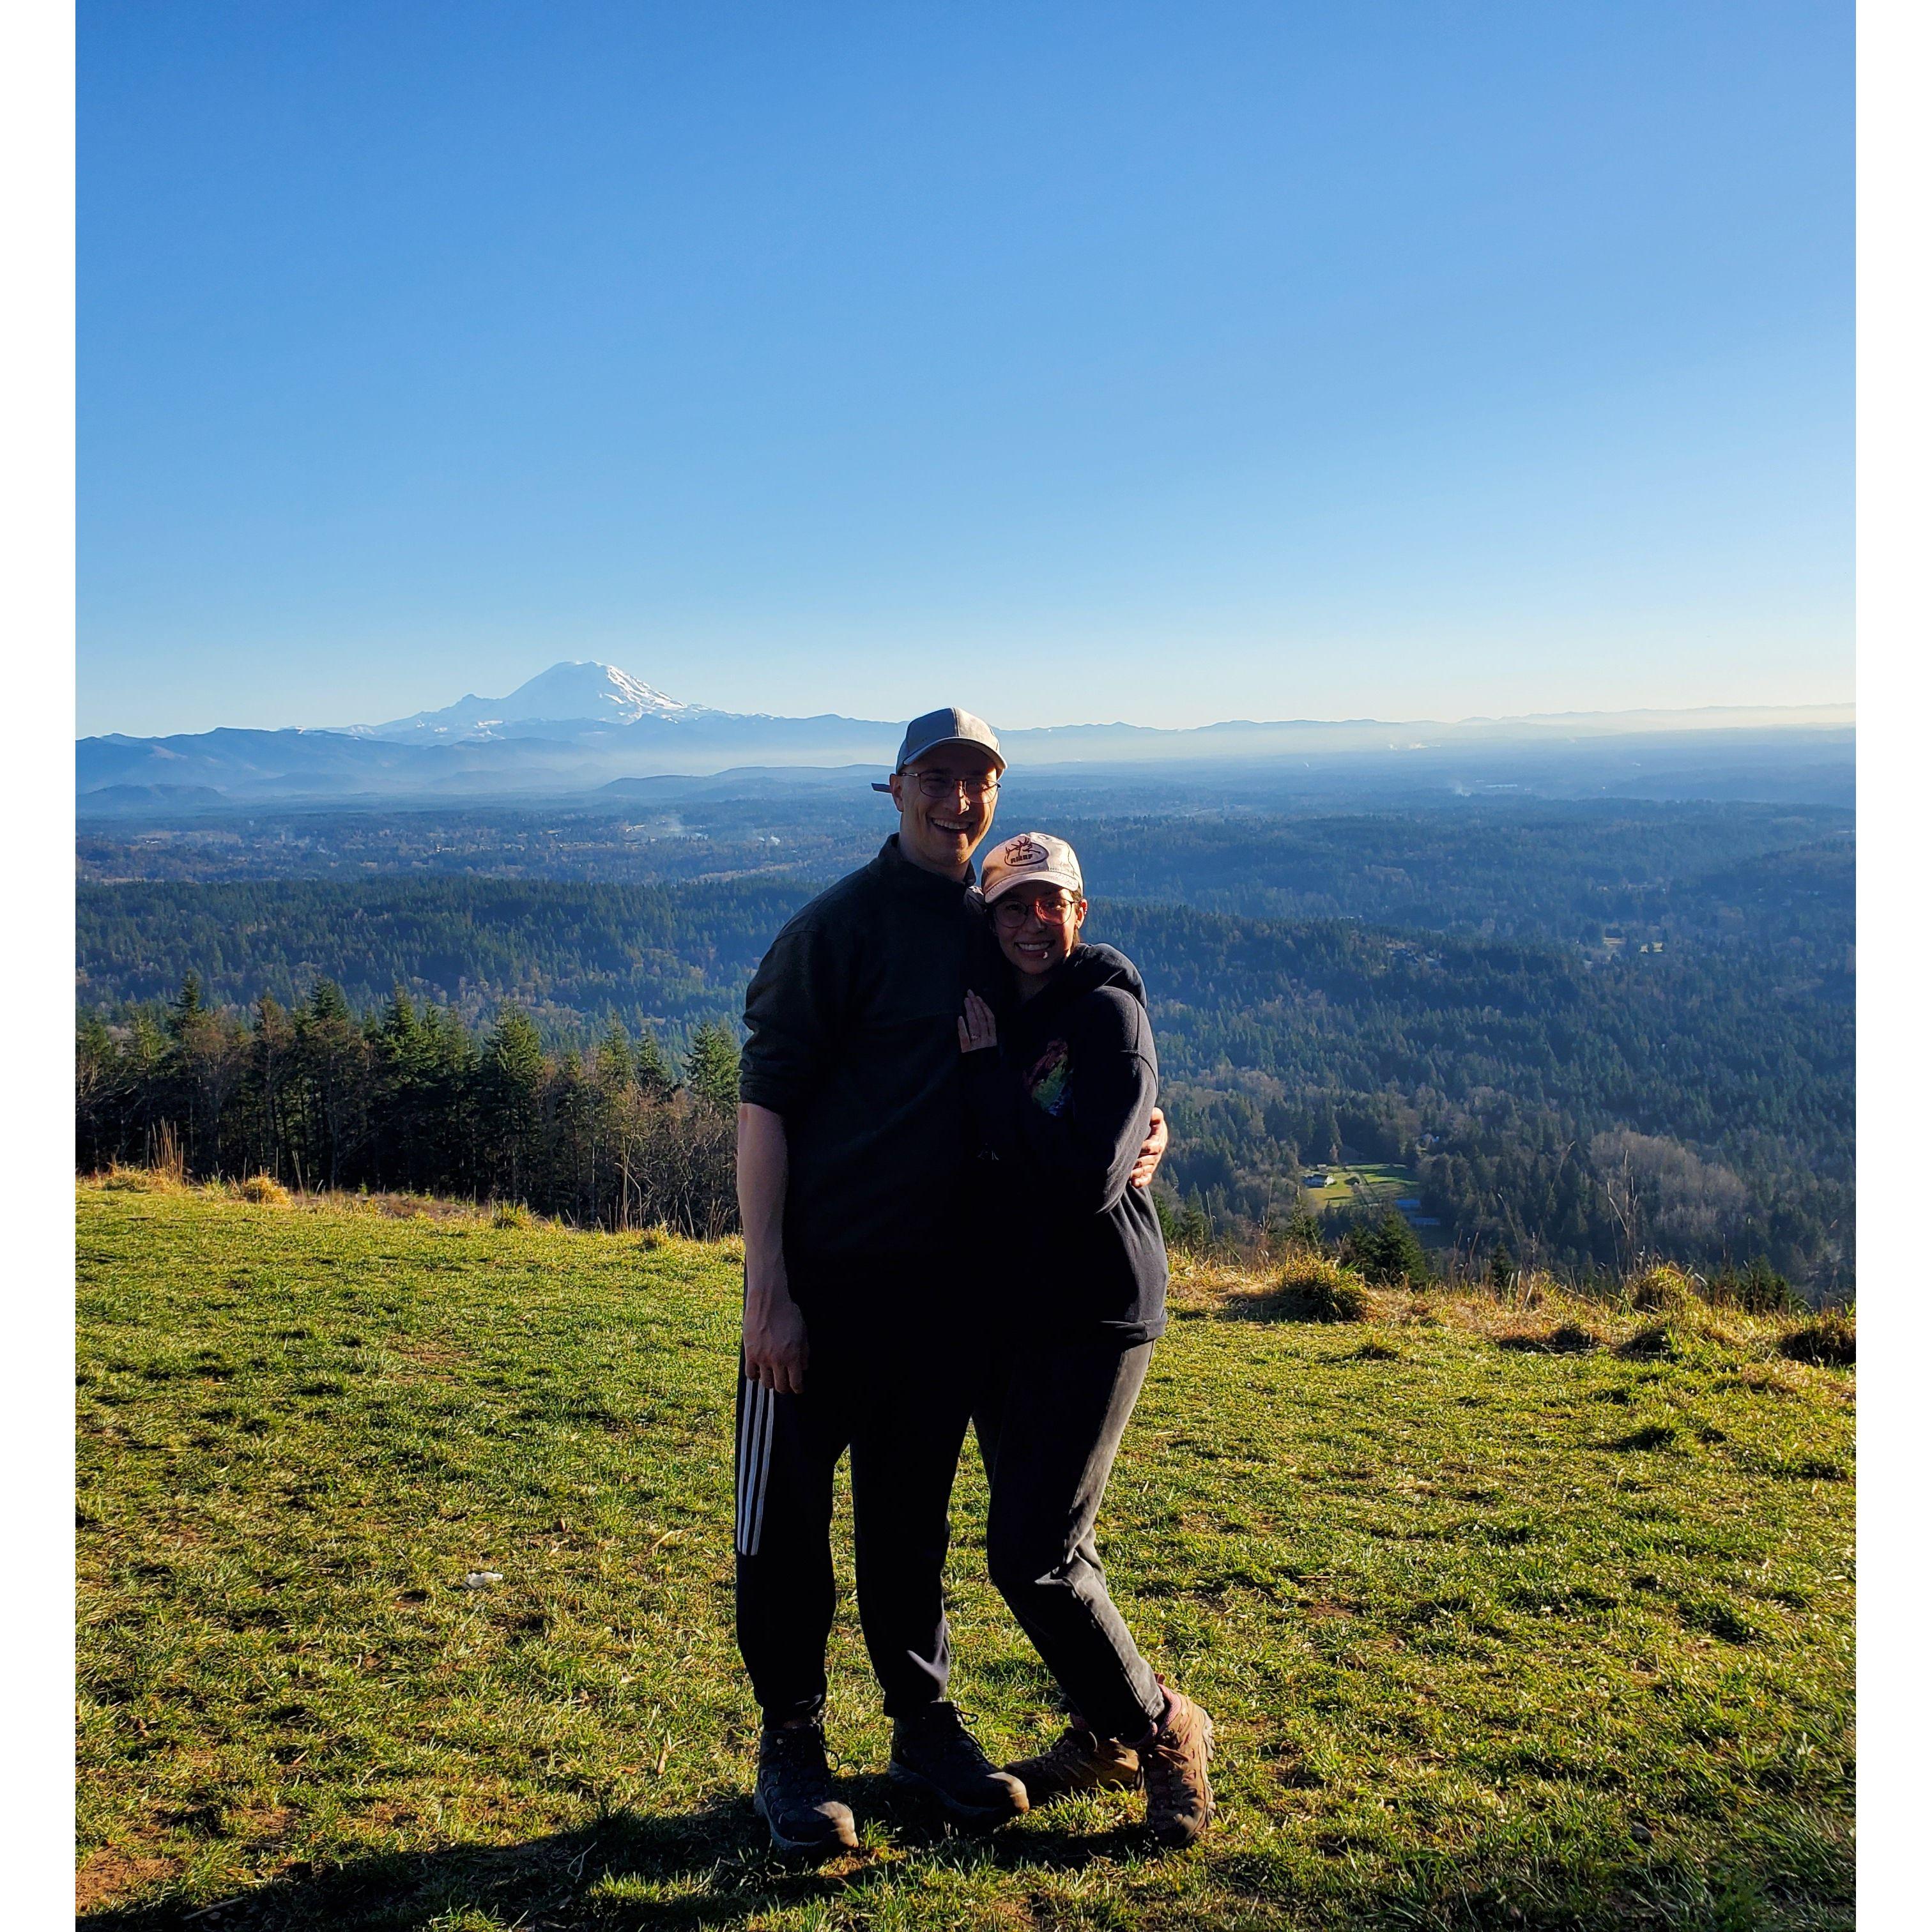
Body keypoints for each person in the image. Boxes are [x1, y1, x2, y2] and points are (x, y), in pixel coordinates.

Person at [733, 708, 1168, 1853]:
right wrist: (765, 1289)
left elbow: (1079, 1007)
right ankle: (791, 1745)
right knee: (784, 1525)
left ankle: (922, 1723)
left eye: (978, 782)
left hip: (940, 1300)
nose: (957, 799)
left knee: (907, 1522)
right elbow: (764, 1103)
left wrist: (1143, 1129)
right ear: (895, 789)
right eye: (937, 778)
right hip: (820, 1287)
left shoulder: (985, 924)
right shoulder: (838, 929)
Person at [956, 830, 1215, 1848]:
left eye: (1049, 904)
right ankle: (1104, 1731)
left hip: (1095, 1308)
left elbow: (1087, 1179)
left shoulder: (1106, 1015)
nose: (1032, 923)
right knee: (1060, 1542)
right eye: (1013, 906)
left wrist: (986, 1087)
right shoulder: (990, 1009)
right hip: (1006, 1311)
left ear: (1080, 911)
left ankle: (1164, 1725)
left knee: (1032, 1554)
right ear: (992, 918)